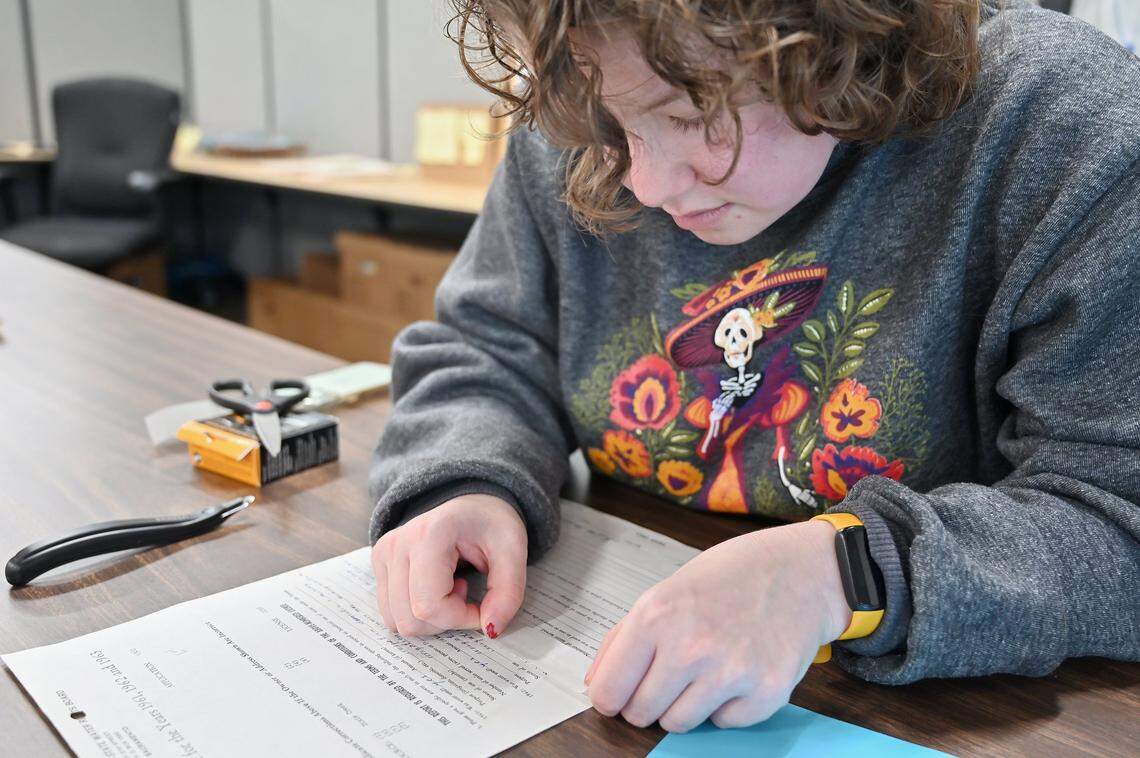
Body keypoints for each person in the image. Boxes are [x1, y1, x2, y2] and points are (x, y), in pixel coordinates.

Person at [368, 0, 1140, 733]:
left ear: (838, 39)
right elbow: (486, 348)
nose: (645, 182)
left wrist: (844, 572)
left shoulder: (1064, 131)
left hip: (961, 714)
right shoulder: (591, 80)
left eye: (688, 115)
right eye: (613, 127)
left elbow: (1119, 520)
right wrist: (464, 480)